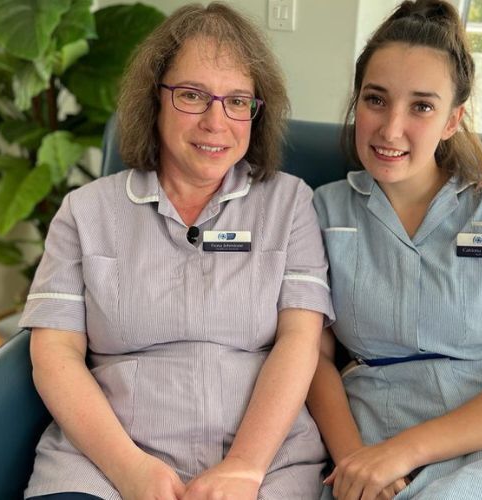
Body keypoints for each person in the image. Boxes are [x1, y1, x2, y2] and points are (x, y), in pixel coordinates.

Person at [19, 3, 333, 499]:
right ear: (154, 100)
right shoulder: (85, 212)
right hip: (103, 462)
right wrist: (129, 469)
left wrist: (245, 468)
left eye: (236, 101)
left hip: (264, 463)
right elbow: (54, 352)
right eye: (192, 95)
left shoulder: (290, 203)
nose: (216, 121)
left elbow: (300, 341)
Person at [306, 1, 482, 499]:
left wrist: (406, 450)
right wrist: (354, 461)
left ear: (451, 120)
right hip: (376, 453)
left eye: (421, 106)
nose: (391, 128)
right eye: (376, 100)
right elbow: (310, 357)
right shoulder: (324, 211)